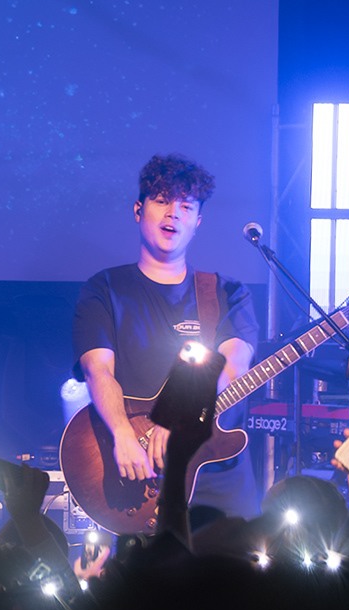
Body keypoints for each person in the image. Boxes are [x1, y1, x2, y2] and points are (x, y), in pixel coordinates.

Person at [71, 154, 261, 516]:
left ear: (197, 222)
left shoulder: (228, 293)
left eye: (186, 206)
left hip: (217, 480)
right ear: (139, 210)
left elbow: (234, 368)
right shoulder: (104, 289)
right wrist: (123, 435)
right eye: (162, 201)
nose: (174, 213)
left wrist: (179, 414)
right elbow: (99, 371)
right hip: (139, 472)